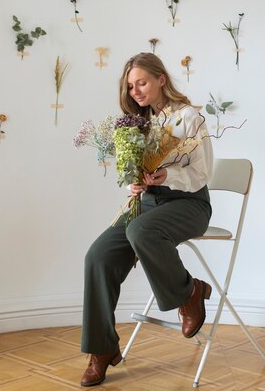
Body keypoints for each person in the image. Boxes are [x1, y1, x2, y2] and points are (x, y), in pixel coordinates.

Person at [80, 53, 214, 387]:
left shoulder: (189, 118)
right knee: (97, 256)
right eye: (130, 85)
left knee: (141, 230)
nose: (136, 91)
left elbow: (202, 174)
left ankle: (189, 294)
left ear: (161, 80)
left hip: (189, 204)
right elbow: (131, 168)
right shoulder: (134, 123)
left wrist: (166, 173)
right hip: (147, 204)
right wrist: (134, 181)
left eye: (142, 82)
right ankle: (101, 349)